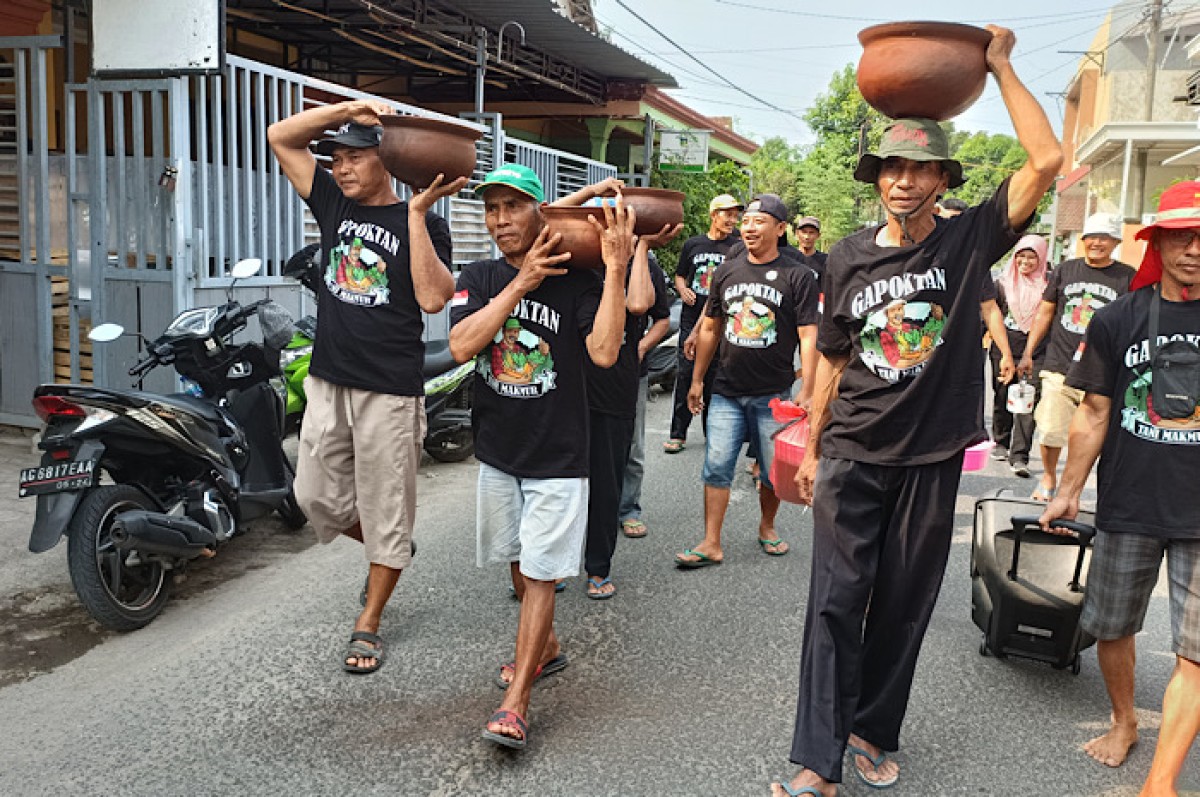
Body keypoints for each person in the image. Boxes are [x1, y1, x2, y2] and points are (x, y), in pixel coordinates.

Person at [772, 26, 1062, 797]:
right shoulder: (846, 254)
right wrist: (811, 436)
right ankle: (817, 758)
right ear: (877, 178)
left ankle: (872, 728)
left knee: (903, 607)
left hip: (933, 458)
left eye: (919, 169)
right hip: (856, 452)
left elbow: (1047, 162)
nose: (902, 181)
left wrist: (999, 67)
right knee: (834, 601)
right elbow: (833, 354)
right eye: (891, 168)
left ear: (940, 178)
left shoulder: (971, 241)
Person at [267, 102, 461, 674]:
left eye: (355, 157)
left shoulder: (424, 220)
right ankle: (389, 543)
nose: (342, 167)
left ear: (387, 161)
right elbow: (281, 137)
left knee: (387, 510)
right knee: (314, 497)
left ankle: (369, 620)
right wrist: (345, 111)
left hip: (390, 391)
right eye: (337, 158)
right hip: (329, 382)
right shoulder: (332, 203)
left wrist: (419, 218)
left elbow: (433, 298)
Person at [448, 164, 634, 748]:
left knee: (540, 573)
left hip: (559, 454)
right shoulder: (477, 276)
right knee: (515, 560)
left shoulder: (578, 280)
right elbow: (459, 345)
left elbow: (605, 352)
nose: (501, 220)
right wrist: (519, 284)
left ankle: (517, 700)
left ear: (541, 213)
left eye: (513, 206)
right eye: (492, 209)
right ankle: (547, 648)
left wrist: (614, 270)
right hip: (500, 449)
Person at [1039, 180, 1200, 797]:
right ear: (1157, 241)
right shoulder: (1118, 318)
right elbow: (1095, 411)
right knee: (1112, 625)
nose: (1192, 248)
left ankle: (1161, 781)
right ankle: (1125, 720)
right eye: (1179, 236)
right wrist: (1067, 489)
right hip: (1130, 499)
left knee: (1194, 650)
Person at [674, 193, 819, 568]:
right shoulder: (726, 270)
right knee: (716, 465)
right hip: (725, 390)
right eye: (747, 221)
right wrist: (697, 379)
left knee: (772, 471)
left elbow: (808, 335)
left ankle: (767, 527)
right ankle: (710, 541)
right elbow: (710, 327)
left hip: (773, 394)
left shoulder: (797, 275)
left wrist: (809, 386)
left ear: (780, 228)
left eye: (759, 221)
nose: (749, 227)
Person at [1019, 211, 1134, 501]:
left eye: (1104, 238)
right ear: (1083, 240)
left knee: (1089, 437)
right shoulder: (1065, 270)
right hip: (1060, 365)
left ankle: (1074, 487)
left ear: (1116, 241)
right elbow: (1046, 312)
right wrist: (1028, 352)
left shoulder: (1127, 277)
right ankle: (1048, 476)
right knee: (1049, 430)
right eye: (1092, 237)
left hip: (1103, 372)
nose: (1097, 243)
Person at [664, 193, 742, 454]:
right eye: (727, 214)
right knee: (686, 373)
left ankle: (714, 435)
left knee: (715, 377)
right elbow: (679, 275)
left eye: (735, 214)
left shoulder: (737, 247)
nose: (732, 220)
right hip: (691, 318)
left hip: (722, 321)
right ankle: (678, 433)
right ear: (713, 215)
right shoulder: (693, 244)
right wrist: (683, 289)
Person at [618, 255, 673, 540]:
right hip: (586, 373)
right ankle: (589, 510)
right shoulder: (587, 259)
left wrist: (641, 347)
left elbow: (662, 319)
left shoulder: (647, 265)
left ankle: (628, 509)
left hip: (631, 373)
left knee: (633, 446)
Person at [990, 235, 1050, 476]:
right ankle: (1001, 441)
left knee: (1028, 400)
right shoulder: (1002, 284)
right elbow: (991, 316)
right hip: (1004, 347)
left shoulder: (1049, 285)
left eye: (1032, 257)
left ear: (1042, 258)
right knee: (1003, 394)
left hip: (1037, 351)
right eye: (1021, 256)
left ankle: (1020, 456)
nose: (1025, 262)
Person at [794, 215, 828, 281]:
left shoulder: (826, 261)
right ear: (797, 233)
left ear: (818, 235)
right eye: (804, 232)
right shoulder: (789, 258)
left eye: (811, 233)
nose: (807, 237)